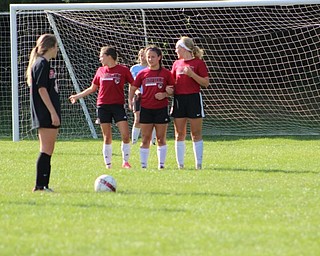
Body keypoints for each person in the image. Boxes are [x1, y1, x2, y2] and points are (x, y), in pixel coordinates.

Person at [69, 46, 133, 169]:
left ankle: (125, 162)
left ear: (109, 56)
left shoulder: (123, 70)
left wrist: (134, 96)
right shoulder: (100, 71)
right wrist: (77, 96)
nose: (100, 58)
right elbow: (92, 88)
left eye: (101, 56)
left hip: (118, 106)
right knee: (107, 136)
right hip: (103, 106)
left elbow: (133, 84)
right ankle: (108, 165)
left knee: (125, 135)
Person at [129, 45, 174, 169]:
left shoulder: (166, 73)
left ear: (159, 57)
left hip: (161, 109)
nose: (150, 59)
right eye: (148, 57)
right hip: (146, 109)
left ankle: (161, 165)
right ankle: (143, 166)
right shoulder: (142, 73)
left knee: (160, 138)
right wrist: (130, 100)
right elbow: (133, 87)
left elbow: (173, 90)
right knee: (145, 139)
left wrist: (165, 94)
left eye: (153, 57)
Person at [26, 34, 60, 192]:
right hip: (45, 113)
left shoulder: (43, 63)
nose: (57, 50)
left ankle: (44, 185)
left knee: (48, 149)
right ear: (51, 47)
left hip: (46, 112)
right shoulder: (41, 63)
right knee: (46, 149)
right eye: (56, 46)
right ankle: (40, 186)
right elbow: (41, 89)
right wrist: (52, 112)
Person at [171, 36, 209, 170]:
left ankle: (198, 164)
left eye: (177, 48)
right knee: (179, 133)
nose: (175, 50)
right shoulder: (176, 64)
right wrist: (168, 89)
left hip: (193, 99)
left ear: (184, 48)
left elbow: (205, 83)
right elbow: (172, 83)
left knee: (196, 133)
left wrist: (192, 74)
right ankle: (180, 165)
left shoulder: (198, 63)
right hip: (179, 100)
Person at [130, 48, 156, 145]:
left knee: (152, 118)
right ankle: (134, 141)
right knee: (138, 118)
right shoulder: (134, 68)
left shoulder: (152, 68)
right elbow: (131, 84)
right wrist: (134, 94)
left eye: (144, 55)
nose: (142, 58)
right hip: (138, 96)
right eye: (140, 55)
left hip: (150, 95)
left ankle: (153, 141)